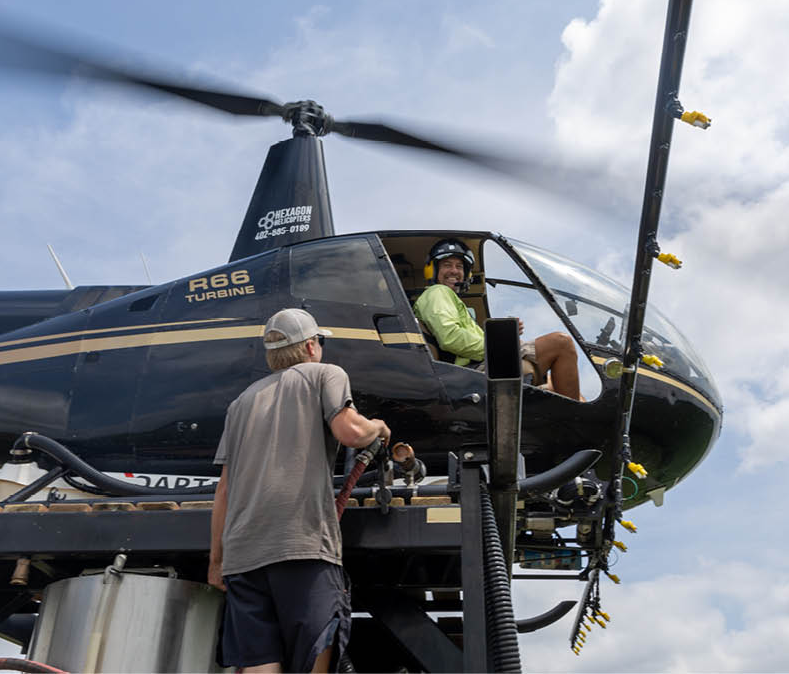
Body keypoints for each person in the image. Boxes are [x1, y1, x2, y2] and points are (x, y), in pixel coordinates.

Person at [208, 308, 390, 673]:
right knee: (314, 660)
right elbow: (350, 432)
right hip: (301, 548)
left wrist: (216, 562)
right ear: (310, 346)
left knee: (259, 666)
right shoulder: (326, 374)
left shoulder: (239, 403)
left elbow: (224, 489)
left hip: (244, 558)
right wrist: (378, 428)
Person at [413, 238, 582, 400]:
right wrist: (500, 346)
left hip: (476, 365)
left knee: (558, 384)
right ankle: (578, 421)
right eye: (447, 265)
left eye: (459, 266)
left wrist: (503, 335)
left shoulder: (449, 300)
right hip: (471, 371)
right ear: (432, 270)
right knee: (561, 343)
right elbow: (450, 337)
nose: (454, 271)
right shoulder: (438, 292)